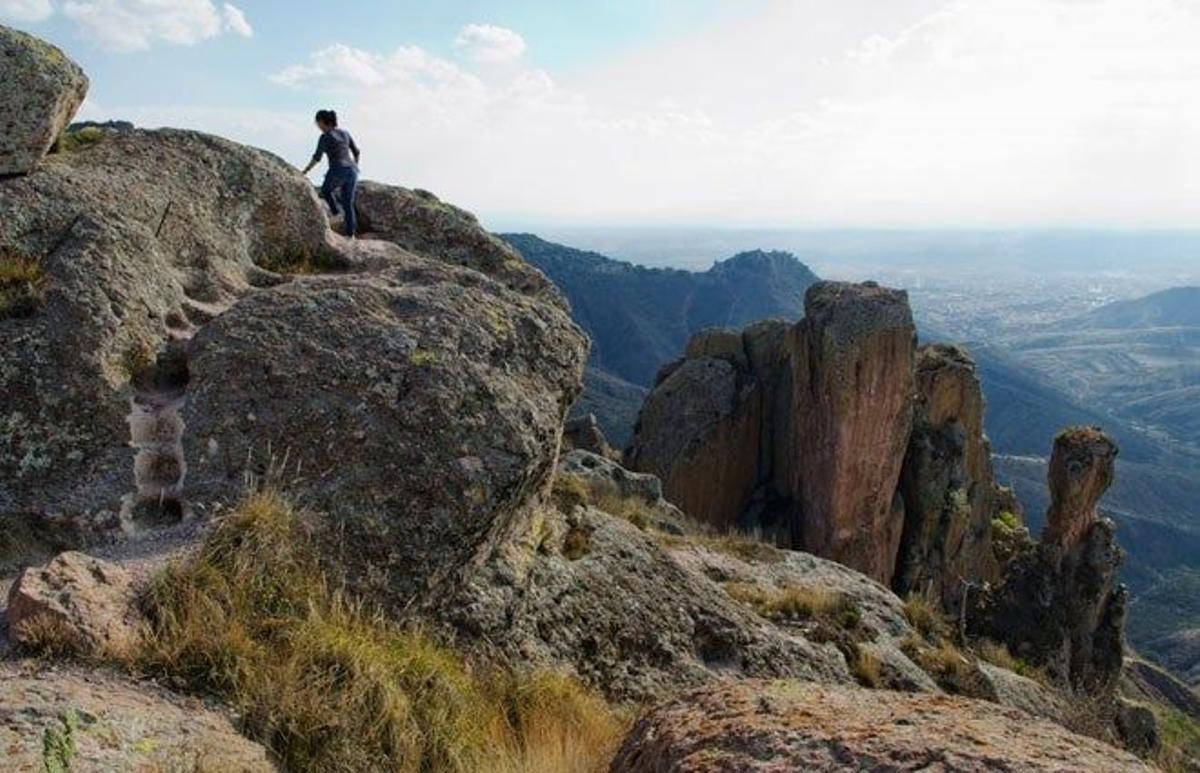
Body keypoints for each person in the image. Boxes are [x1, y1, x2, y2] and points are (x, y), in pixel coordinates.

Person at [301, 109, 360, 238]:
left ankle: (335, 212)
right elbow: (356, 152)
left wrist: (305, 171)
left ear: (322, 122)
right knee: (348, 203)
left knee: (326, 191)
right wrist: (355, 165)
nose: (317, 126)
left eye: (317, 123)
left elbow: (317, 157)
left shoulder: (325, 137)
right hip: (353, 171)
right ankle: (351, 235)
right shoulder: (345, 133)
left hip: (338, 169)